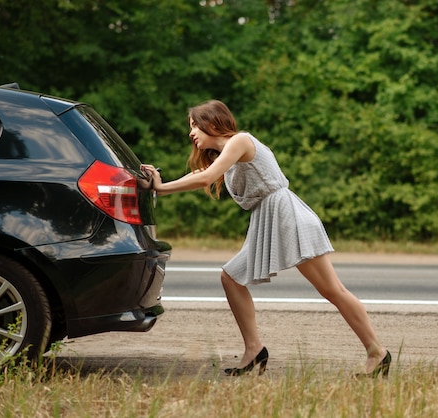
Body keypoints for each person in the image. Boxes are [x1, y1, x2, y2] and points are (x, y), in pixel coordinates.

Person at [141, 100, 390, 377]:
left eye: (194, 125)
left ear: (212, 123)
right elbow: (202, 173)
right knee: (231, 278)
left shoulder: (240, 141)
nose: (191, 133)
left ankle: (377, 352)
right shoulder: (226, 155)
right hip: (269, 220)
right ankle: (254, 350)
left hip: (288, 218)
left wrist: (160, 189)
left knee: (333, 290)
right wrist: (158, 185)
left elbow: (206, 178)